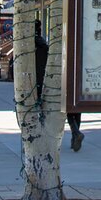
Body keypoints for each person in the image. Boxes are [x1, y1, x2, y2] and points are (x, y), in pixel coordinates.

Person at [33, 20, 85, 152]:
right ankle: (75, 133)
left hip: (48, 79)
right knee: (74, 107)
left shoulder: (34, 47)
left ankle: (73, 133)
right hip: (75, 77)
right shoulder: (47, 46)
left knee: (62, 107)